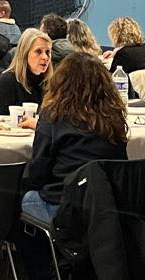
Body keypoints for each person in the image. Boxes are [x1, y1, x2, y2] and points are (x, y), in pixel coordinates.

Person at [21, 53, 130, 227]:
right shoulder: (113, 118)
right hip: (109, 205)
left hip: (67, 206)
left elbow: (39, 172)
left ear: (61, 82)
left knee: (25, 196)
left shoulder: (54, 116)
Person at [0, 29, 54, 115]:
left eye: (48, 52)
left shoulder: (51, 83)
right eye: (38, 51)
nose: (45, 57)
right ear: (25, 54)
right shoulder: (6, 82)